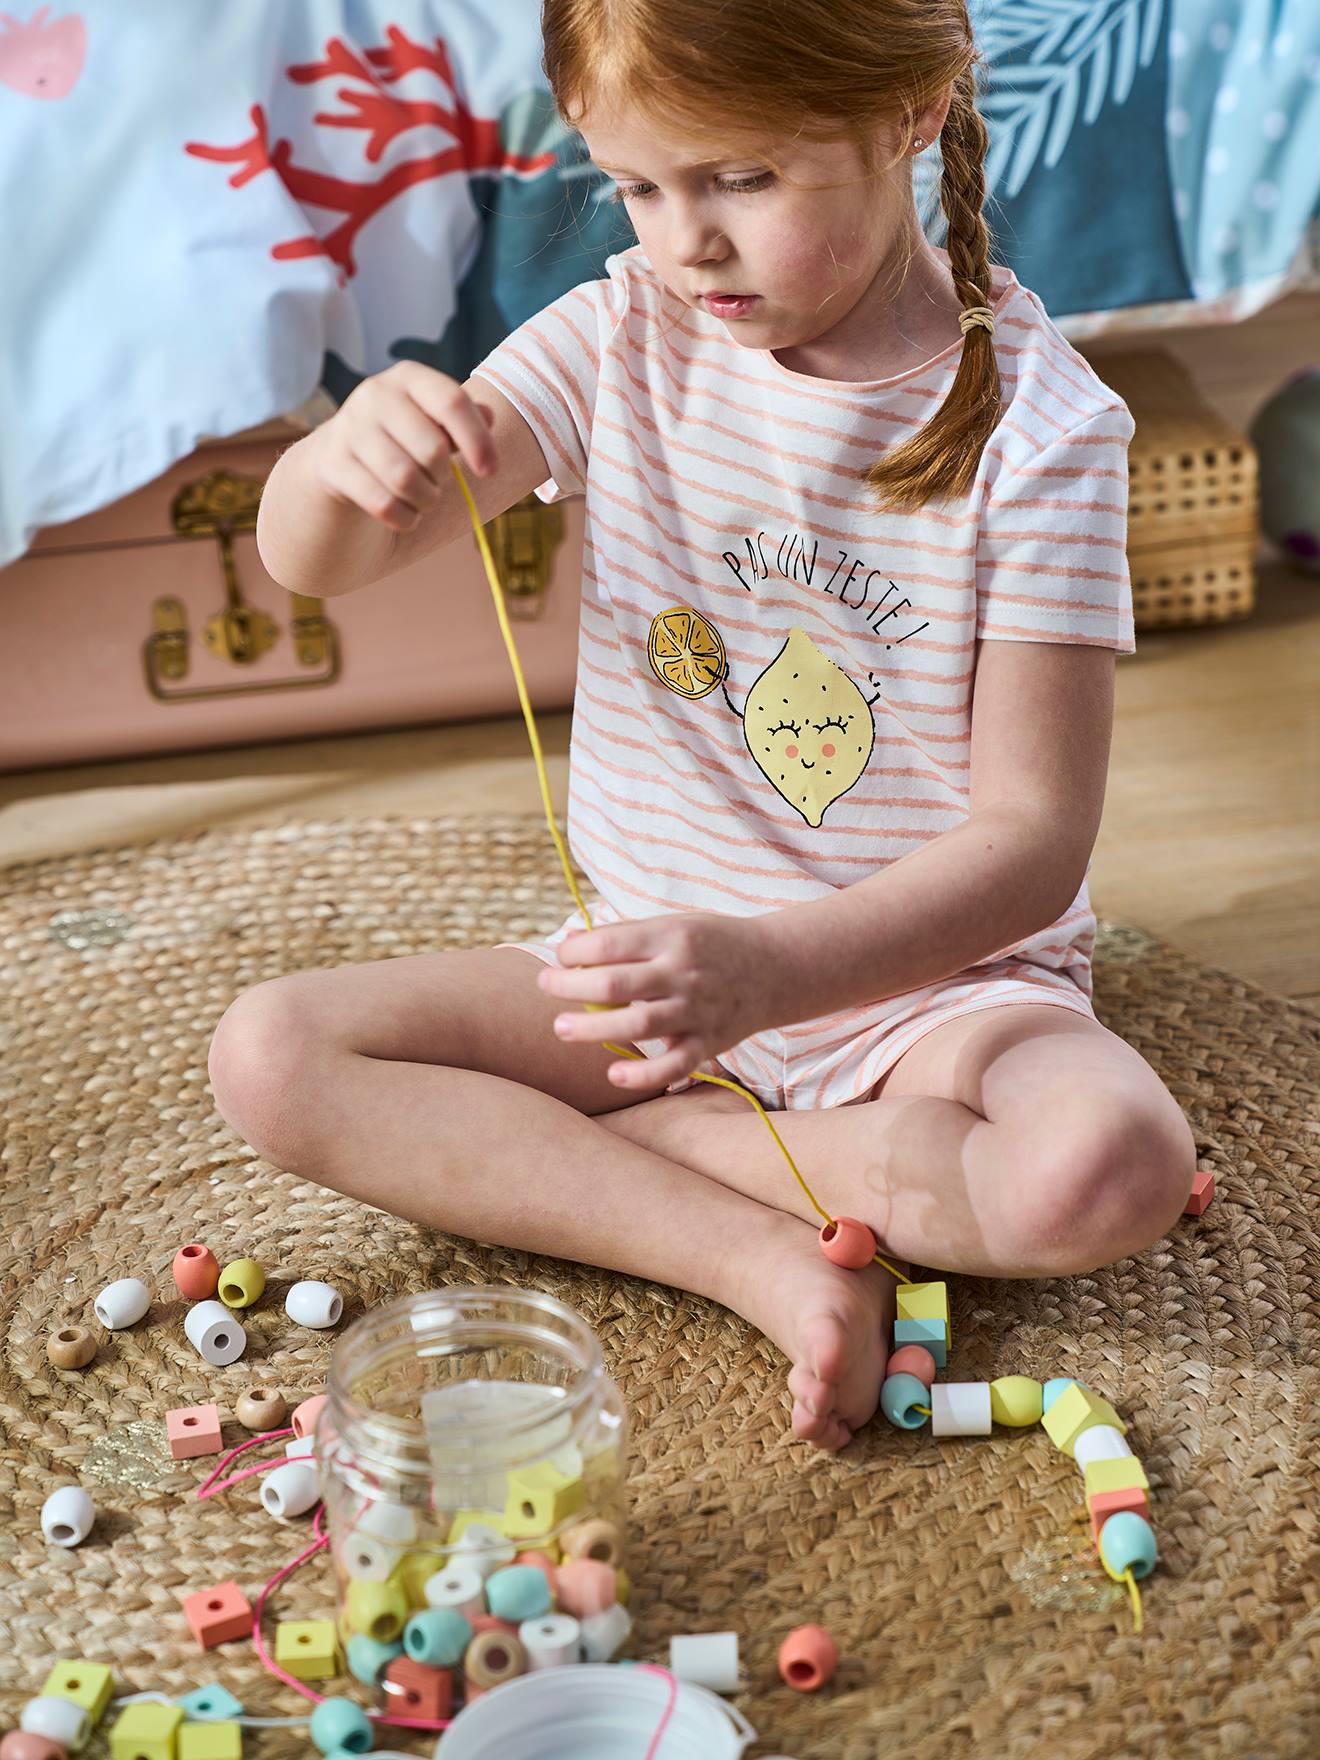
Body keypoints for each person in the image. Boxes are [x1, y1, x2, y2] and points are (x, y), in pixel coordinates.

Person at [210, 0, 1196, 1453]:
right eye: (638, 186)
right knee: (272, 1054)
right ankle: (743, 1252)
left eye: (740, 179)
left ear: (910, 111)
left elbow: (1033, 842)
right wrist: (337, 464)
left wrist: (769, 972)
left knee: (1113, 1165)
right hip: (651, 977)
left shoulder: (1045, 435)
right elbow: (324, 560)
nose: (685, 241)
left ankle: (680, 1152)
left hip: (930, 998)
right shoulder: (620, 335)